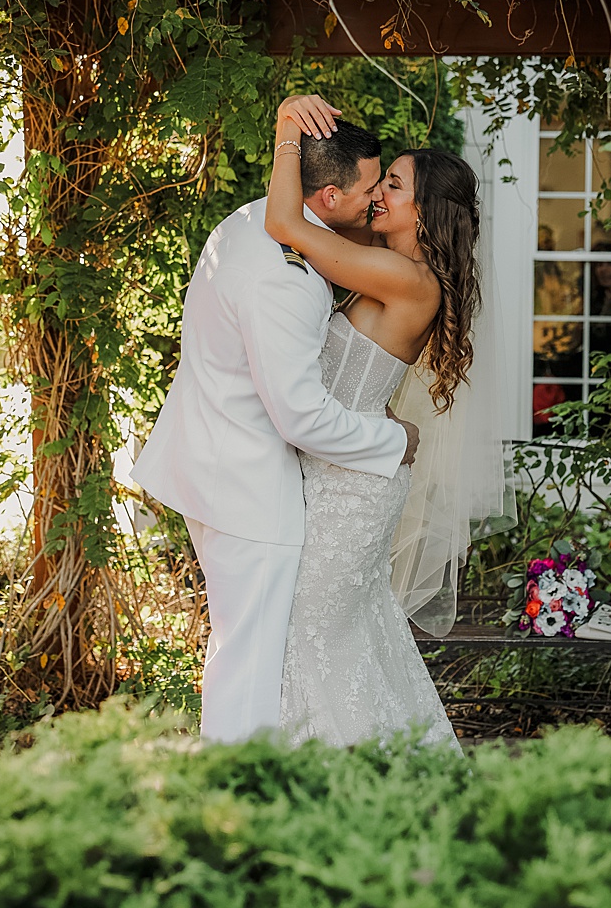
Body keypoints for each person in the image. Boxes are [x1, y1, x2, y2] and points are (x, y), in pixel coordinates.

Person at [132, 118, 419, 744]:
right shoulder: (285, 276)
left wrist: (290, 128)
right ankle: (240, 801)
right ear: (329, 197)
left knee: (246, 649)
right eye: (372, 185)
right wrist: (395, 442)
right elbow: (300, 415)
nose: (376, 199)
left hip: (211, 460)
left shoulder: (252, 216)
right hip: (248, 486)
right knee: (253, 660)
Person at [264, 94, 484, 749]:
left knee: (315, 640)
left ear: (425, 209)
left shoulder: (406, 278)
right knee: (341, 642)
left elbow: (284, 220)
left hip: (352, 489)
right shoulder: (392, 267)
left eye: (394, 184)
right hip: (339, 470)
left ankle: (351, 790)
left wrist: (285, 127)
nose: (379, 192)